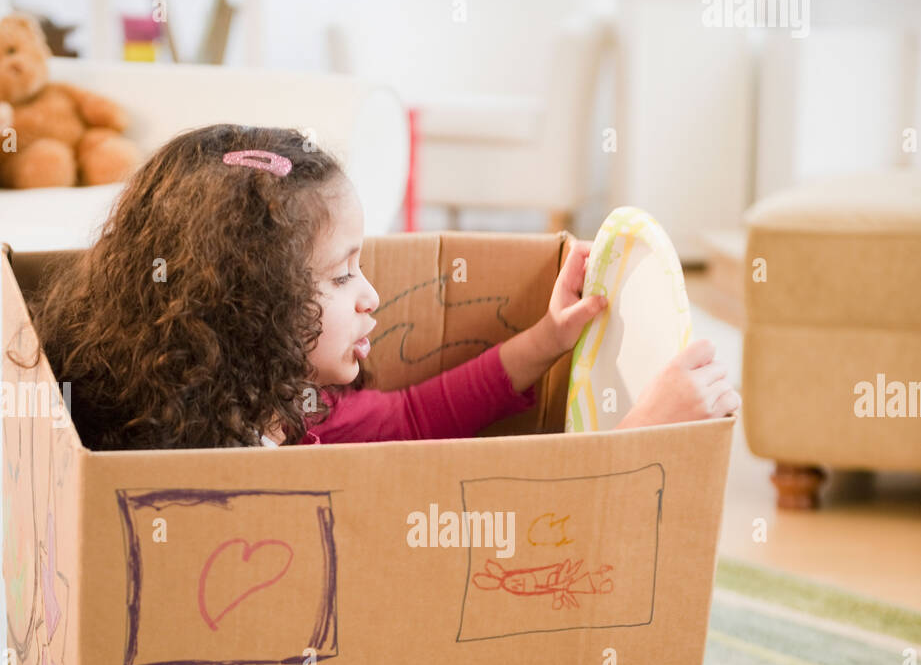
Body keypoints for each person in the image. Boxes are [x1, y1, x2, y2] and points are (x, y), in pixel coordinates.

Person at [31, 126, 740, 452]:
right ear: (248, 307)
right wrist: (643, 437)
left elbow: (410, 419)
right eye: (341, 277)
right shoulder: (214, 464)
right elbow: (517, 543)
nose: (373, 295)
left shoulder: (284, 407)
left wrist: (547, 339)